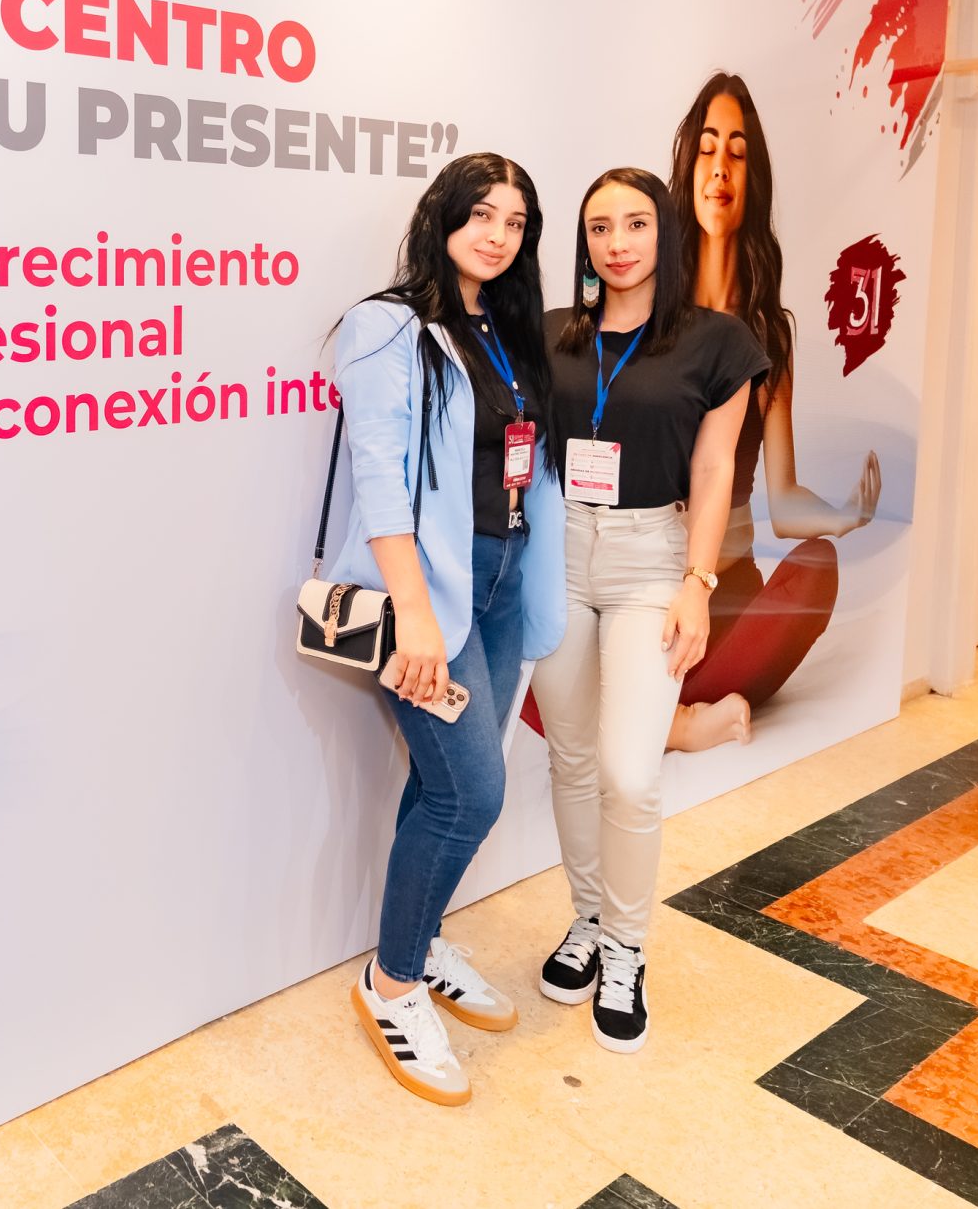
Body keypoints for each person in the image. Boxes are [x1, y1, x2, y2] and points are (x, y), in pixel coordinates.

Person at [326, 153, 566, 1107]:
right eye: (482, 214)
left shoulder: (505, 330)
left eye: (516, 220)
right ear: (443, 217)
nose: (498, 234)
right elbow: (379, 475)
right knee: (473, 792)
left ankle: (417, 946)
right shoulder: (386, 326)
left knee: (441, 783)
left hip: (501, 578)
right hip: (431, 587)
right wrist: (415, 613)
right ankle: (391, 986)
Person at [531, 167, 764, 1053]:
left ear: (664, 231)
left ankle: (626, 948)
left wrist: (698, 582)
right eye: (600, 227)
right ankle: (588, 919)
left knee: (629, 770)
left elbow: (713, 467)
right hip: (558, 549)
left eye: (635, 223)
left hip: (651, 559)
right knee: (571, 757)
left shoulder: (717, 342)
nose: (617, 243)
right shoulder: (552, 332)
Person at [662, 72, 881, 751]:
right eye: (707, 149)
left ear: (752, 177)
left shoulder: (768, 335)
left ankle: (656, 702)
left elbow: (783, 503)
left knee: (816, 567)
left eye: (737, 152)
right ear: (687, 167)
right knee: (545, 630)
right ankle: (678, 719)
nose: (720, 168)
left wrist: (846, 515)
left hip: (726, 589)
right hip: (647, 580)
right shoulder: (649, 309)